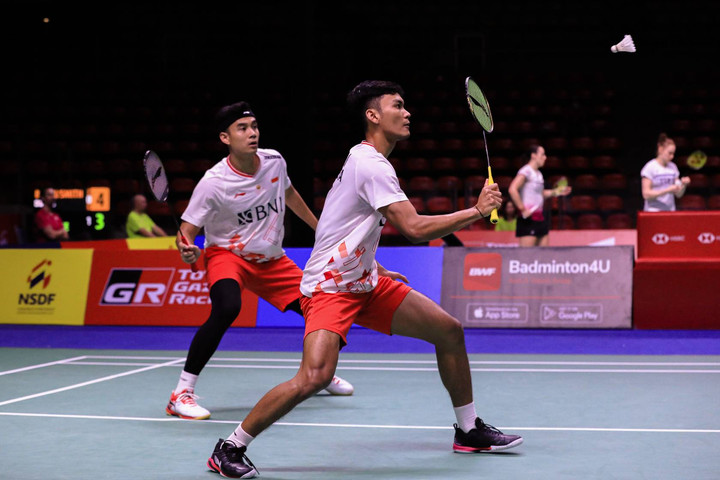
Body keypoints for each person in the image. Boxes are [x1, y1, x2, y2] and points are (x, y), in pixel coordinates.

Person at [205, 81, 522, 478]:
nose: (407, 113)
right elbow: (413, 228)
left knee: (448, 331)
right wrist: (476, 211)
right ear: (373, 115)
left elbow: (340, 226)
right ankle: (229, 447)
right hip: (331, 288)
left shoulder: (366, 161)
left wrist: (373, 264)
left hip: (365, 281)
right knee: (315, 377)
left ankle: (469, 429)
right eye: (398, 106)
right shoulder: (371, 164)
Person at [168, 101, 354, 421]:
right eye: (242, 128)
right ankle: (181, 393)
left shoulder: (274, 161)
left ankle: (318, 372)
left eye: (254, 126)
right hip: (229, 255)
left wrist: (320, 229)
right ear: (225, 138)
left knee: (323, 307)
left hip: (271, 259)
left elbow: (290, 194)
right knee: (227, 307)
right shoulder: (213, 182)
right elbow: (186, 230)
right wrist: (186, 248)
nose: (252, 133)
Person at [508, 144, 571, 247]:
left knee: (544, 255)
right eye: (542, 154)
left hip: (540, 218)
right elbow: (512, 189)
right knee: (526, 256)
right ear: (533, 155)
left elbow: (540, 194)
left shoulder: (538, 174)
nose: (545, 157)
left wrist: (557, 192)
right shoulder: (526, 171)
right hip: (528, 219)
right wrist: (522, 209)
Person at [641, 133, 690, 211]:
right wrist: (667, 190)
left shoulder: (673, 167)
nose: (672, 156)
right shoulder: (650, 167)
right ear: (660, 149)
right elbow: (646, 194)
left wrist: (684, 185)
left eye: (673, 153)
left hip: (669, 212)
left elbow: (678, 194)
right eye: (670, 153)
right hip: (652, 211)